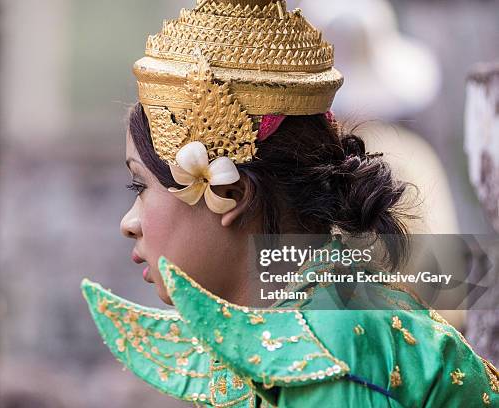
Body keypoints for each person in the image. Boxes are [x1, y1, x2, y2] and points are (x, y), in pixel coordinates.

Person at [81, 1, 498, 406]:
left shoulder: (327, 342)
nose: (128, 223)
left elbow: (448, 283)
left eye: (140, 187)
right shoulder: (309, 310)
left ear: (226, 192)